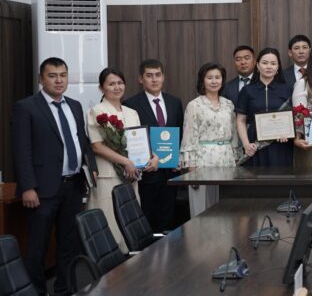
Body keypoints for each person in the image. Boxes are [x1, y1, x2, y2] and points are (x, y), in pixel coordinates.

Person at [11, 57, 98, 295]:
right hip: (41, 190)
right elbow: (21, 150)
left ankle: (64, 290)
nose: (59, 81)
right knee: (37, 249)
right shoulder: (26, 107)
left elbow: (82, 142)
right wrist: (28, 187)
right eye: (52, 76)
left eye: (63, 75)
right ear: (41, 79)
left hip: (73, 186)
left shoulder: (75, 106)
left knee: (69, 245)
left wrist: (91, 167)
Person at [87, 67, 159, 251]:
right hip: (108, 176)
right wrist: (125, 161)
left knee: (130, 223)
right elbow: (96, 146)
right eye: (111, 84)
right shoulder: (96, 111)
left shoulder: (131, 112)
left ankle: (131, 261)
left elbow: (139, 142)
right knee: (111, 224)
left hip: (131, 176)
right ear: (101, 88)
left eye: (120, 83)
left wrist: (153, 157)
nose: (117, 87)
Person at [123, 59, 184, 232]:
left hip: (171, 172)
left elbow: (179, 133)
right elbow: (131, 139)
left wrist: (179, 157)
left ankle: (167, 249)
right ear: (141, 79)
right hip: (148, 171)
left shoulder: (175, 102)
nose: (154, 79)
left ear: (163, 77)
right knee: (146, 219)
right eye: (149, 76)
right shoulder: (130, 104)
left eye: (158, 75)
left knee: (168, 220)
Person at [180, 62, 240, 216]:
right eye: (210, 78)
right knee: (202, 205)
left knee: (225, 206)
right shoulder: (194, 105)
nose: (214, 81)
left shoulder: (228, 104)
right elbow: (189, 137)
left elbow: (234, 134)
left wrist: (235, 158)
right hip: (203, 160)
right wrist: (192, 170)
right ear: (202, 81)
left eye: (217, 77)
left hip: (226, 159)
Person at [236, 48, 294, 167]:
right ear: (257, 65)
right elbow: (240, 120)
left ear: (278, 67)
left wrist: (287, 133)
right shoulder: (247, 90)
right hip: (254, 145)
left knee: (280, 176)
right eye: (265, 63)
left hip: (280, 144)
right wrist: (246, 144)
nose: (269, 67)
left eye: (273, 63)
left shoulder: (287, 89)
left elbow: (294, 117)